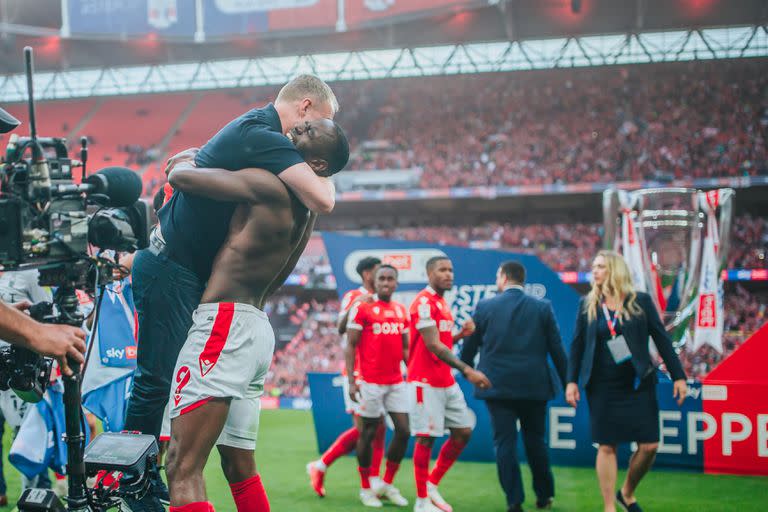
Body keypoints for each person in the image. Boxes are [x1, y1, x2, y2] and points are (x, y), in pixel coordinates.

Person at [125, 74, 340, 441]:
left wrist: (190, 157)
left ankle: (142, 475)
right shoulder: (267, 138)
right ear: (304, 107)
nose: (314, 131)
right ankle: (129, 477)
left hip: (181, 266)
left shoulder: (259, 132)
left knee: (167, 379)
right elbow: (323, 199)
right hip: (170, 266)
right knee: (156, 379)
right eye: (319, 122)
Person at [164, 118, 349, 512]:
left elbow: (184, 179)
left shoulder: (270, 185)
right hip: (255, 328)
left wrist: (185, 160)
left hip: (224, 325)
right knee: (239, 465)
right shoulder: (307, 208)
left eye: (308, 133)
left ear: (316, 165)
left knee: (182, 467)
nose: (295, 130)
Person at [565, 250, 687, 512]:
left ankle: (627, 492)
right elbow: (576, 346)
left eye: (600, 267)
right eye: (594, 266)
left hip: (638, 384)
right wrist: (571, 382)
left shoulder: (640, 301)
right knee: (606, 445)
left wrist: (679, 376)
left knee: (650, 445)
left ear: (615, 270)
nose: (594, 271)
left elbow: (661, 340)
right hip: (601, 386)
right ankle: (609, 506)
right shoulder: (588, 304)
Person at [460, 261, 567, 512]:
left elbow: (469, 348)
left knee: (504, 444)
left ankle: (514, 501)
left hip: (496, 386)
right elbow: (557, 350)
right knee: (536, 442)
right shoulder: (542, 307)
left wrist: (467, 370)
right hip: (534, 386)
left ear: (503, 277)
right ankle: (545, 496)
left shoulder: (484, 307)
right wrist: (569, 383)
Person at [407, 256, 491, 512]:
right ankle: (422, 502)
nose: (448, 274)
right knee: (426, 440)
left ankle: (431, 484)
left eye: (451, 270)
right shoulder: (422, 302)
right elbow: (432, 345)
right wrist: (468, 370)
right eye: (442, 270)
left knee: (463, 431)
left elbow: (440, 341)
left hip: (444, 380)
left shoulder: (442, 303)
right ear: (430, 273)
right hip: (425, 381)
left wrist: (459, 335)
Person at [306, 256, 387, 498]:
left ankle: (372, 479)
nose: (381, 275)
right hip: (359, 374)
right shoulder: (355, 296)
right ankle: (327, 468)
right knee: (366, 430)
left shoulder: (382, 301)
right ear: (366, 273)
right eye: (377, 271)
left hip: (380, 375)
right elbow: (341, 328)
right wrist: (356, 305)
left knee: (378, 427)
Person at [346, 264, 411, 508]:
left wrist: (411, 371)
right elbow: (350, 345)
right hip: (370, 382)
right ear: (375, 282)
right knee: (368, 434)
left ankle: (385, 483)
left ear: (396, 283)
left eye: (390, 278)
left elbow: (405, 348)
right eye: (381, 278)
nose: (385, 282)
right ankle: (365, 488)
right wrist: (352, 380)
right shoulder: (363, 309)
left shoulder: (400, 310)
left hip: (396, 382)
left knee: (404, 431)